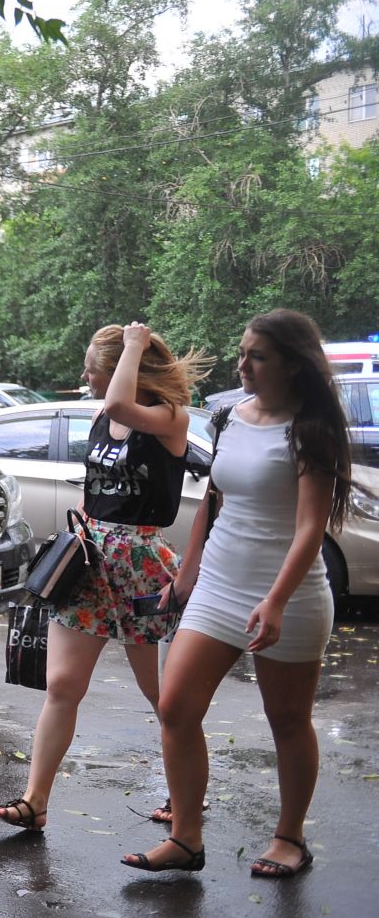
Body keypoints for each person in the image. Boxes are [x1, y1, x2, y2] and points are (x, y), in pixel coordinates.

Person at [124, 309, 350, 876]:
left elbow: (309, 527)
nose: (242, 364)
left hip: (289, 597)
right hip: (219, 586)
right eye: (242, 351)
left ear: (293, 366)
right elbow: (214, 501)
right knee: (175, 707)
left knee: (287, 719)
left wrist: (273, 601)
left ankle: (290, 838)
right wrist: (188, 571)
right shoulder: (229, 416)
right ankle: (186, 839)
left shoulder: (310, 430)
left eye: (257, 356)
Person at [0, 323, 209, 833]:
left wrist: (132, 345)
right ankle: (34, 801)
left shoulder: (167, 418)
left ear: (122, 373)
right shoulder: (99, 419)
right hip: (91, 563)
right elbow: (95, 486)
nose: (84, 375)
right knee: (61, 685)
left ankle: (185, 802)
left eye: (93, 367)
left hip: (143, 569)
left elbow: (118, 407)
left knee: (165, 699)